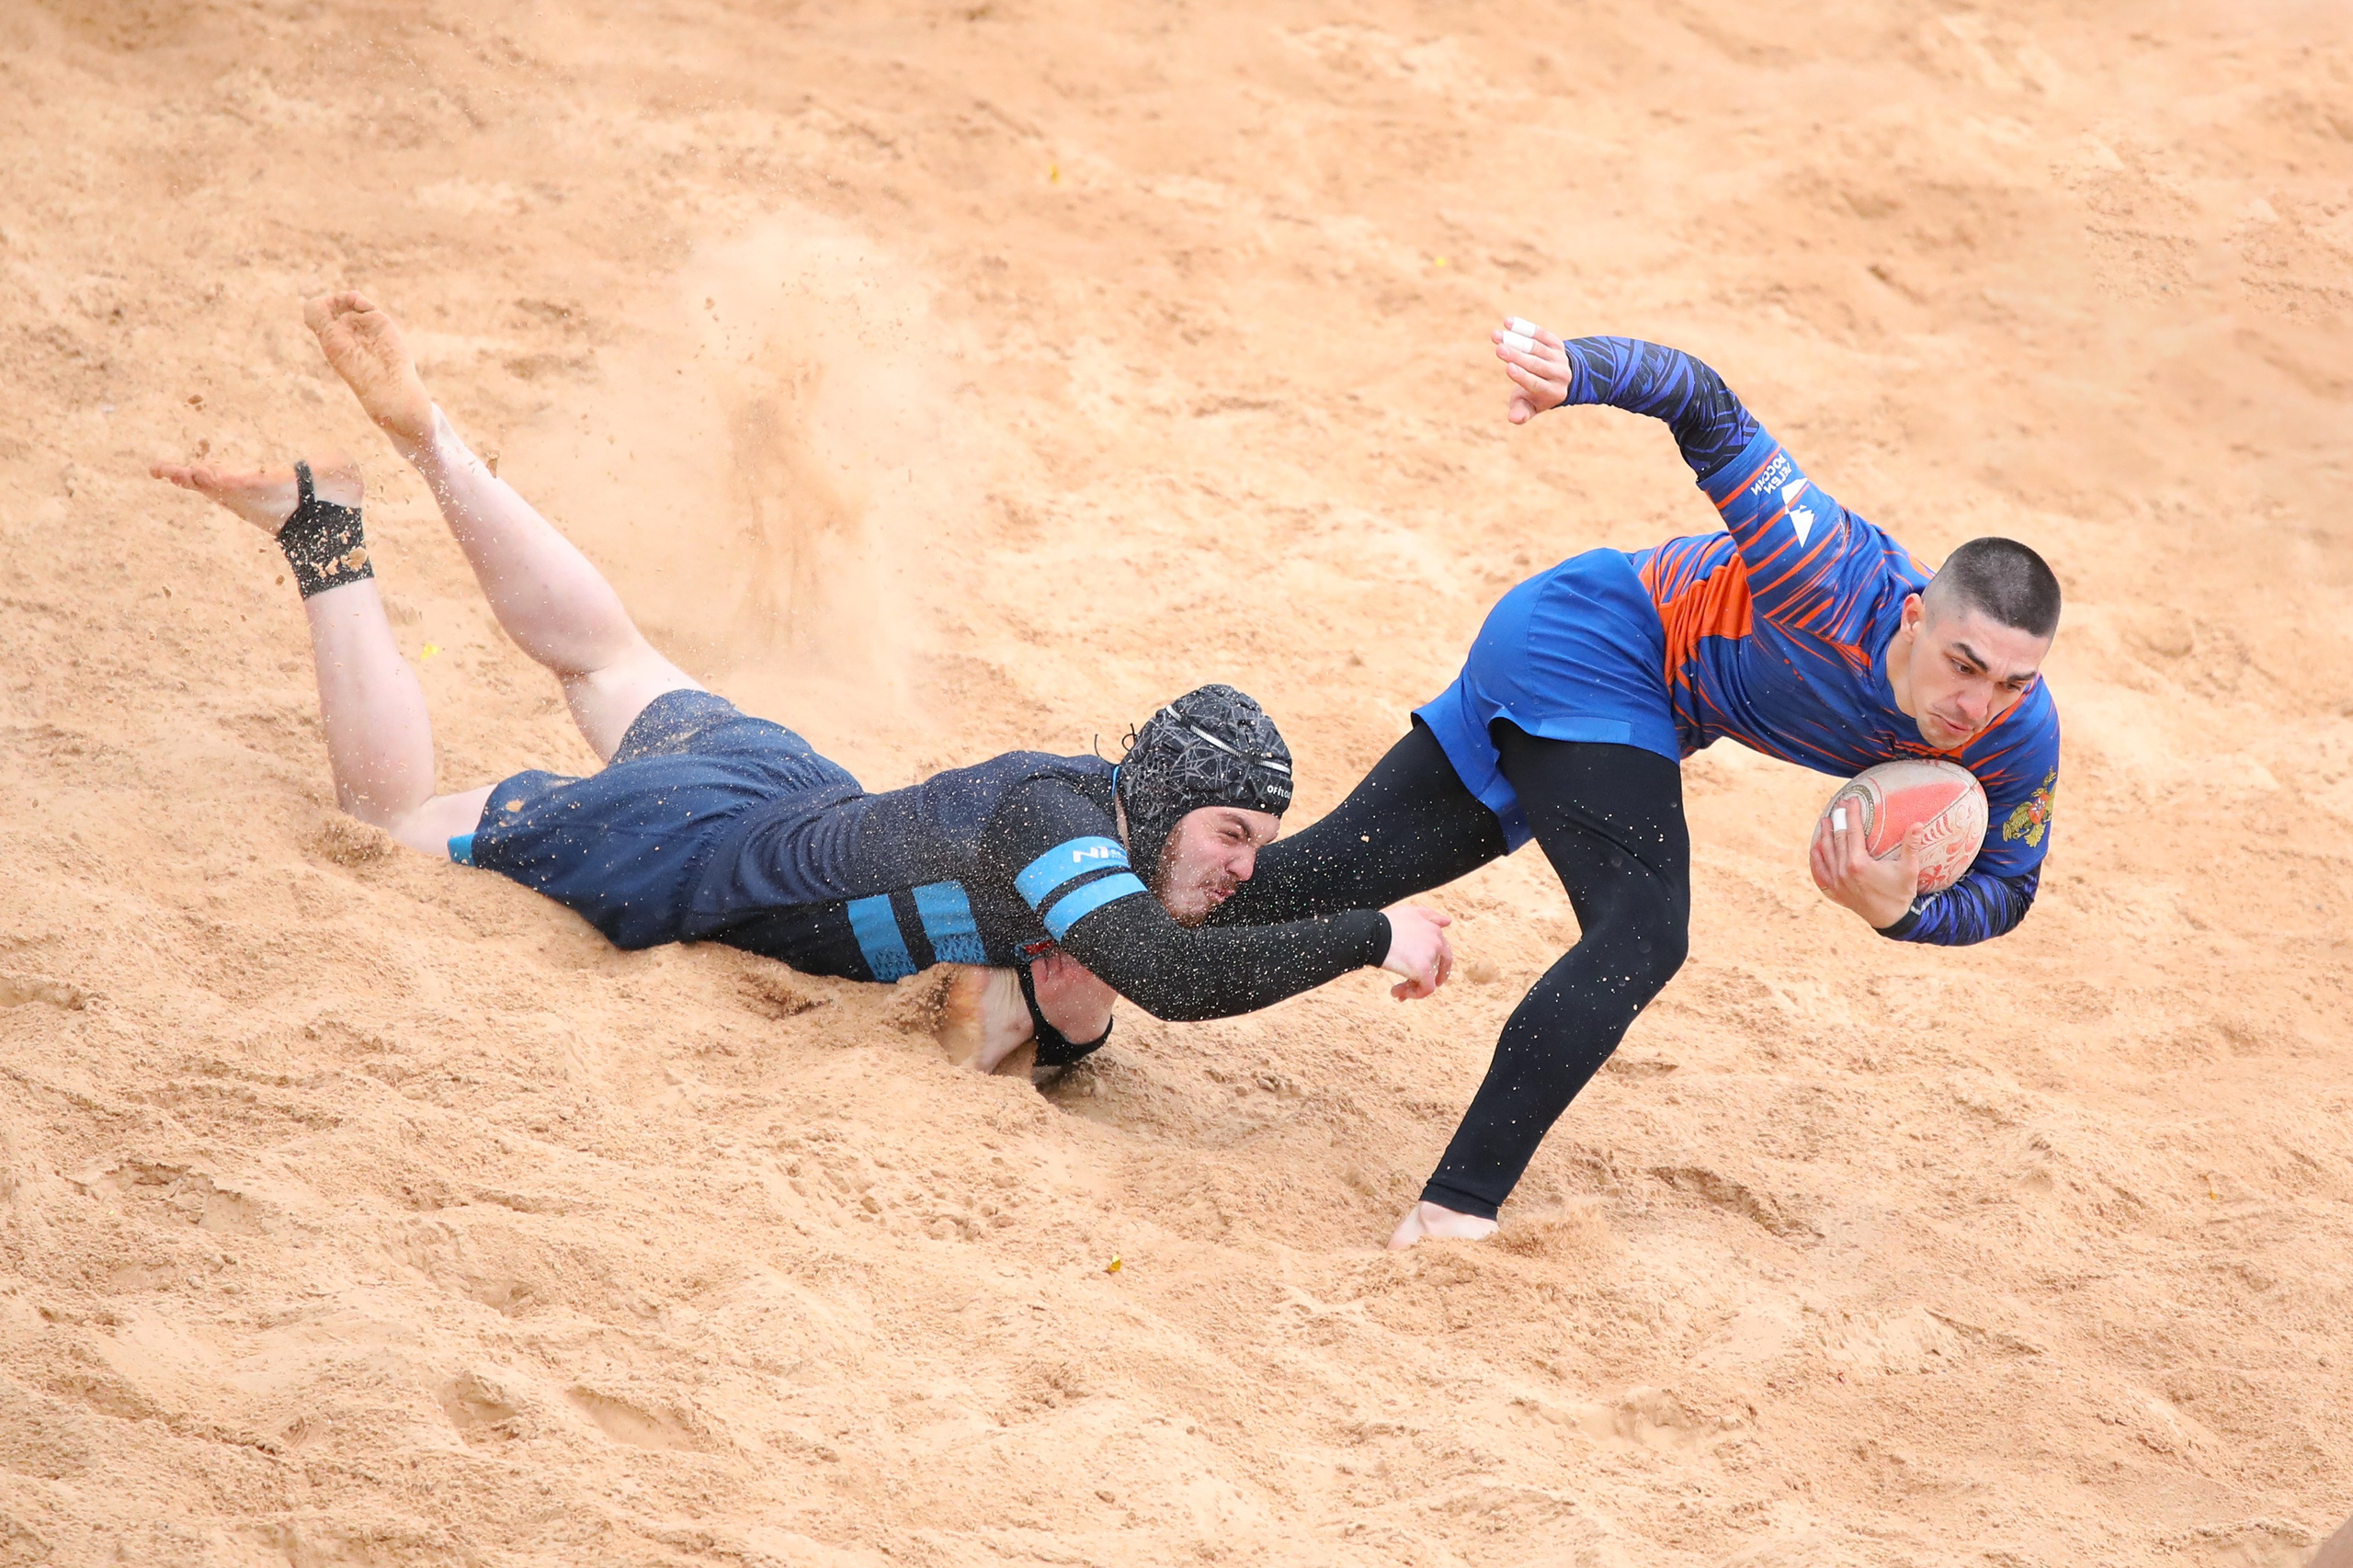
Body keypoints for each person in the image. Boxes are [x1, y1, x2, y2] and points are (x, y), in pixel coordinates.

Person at [152, 294, 1456, 1074]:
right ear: (1169, 800)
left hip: (788, 781)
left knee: (608, 655)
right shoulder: (1071, 838)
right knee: (388, 820)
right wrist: (1373, 933)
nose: (1242, 864)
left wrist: (1074, 1017)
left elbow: (1105, 983)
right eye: (1233, 831)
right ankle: (324, 530)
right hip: (689, 848)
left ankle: (436, 436)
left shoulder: (1091, 828)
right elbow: (1165, 975)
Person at [1211, 321, 2063, 1247]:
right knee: (1643, 932)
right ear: (1913, 617)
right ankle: (1456, 1205)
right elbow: (1703, 400)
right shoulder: (1823, 566)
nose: (1978, 704)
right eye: (1964, 665)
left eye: (2012, 682)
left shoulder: (2016, 733)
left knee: (1318, 880)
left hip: (1621, 698)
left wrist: (1901, 913)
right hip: (1597, 639)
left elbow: (2009, 888)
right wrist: (1574, 370)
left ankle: (1075, 919)